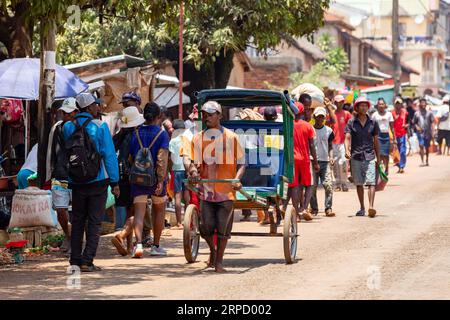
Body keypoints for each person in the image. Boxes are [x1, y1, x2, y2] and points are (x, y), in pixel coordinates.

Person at [185, 101, 246, 273]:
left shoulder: (231, 137)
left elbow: (242, 163)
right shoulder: (198, 139)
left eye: (210, 114)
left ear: (219, 115)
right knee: (205, 228)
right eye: (204, 115)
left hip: (226, 192)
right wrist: (192, 171)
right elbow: (192, 162)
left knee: (222, 228)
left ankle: (219, 262)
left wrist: (236, 179)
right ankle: (213, 251)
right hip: (207, 192)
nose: (206, 118)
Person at [63, 93, 120, 272]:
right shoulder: (100, 126)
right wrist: (115, 181)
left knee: (78, 220)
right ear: (88, 108)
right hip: (97, 180)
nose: (98, 107)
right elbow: (109, 156)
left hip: (76, 181)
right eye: (95, 105)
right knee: (94, 221)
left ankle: (75, 259)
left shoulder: (67, 127)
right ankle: (87, 261)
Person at [129, 102, 170, 258]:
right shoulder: (162, 134)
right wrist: (161, 180)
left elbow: (132, 156)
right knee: (159, 211)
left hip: (138, 177)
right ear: (159, 116)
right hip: (155, 180)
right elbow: (162, 159)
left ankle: (138, 245)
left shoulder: (136, 133)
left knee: (139, 213)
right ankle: (156, 246)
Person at [110, 106, 145, 256]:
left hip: (120, 177)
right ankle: (122, 235)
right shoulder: (136, 137)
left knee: (125, 210)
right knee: (136, 212)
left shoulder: (117, 137)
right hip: (134, 177)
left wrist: (114, 182)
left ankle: (129, 245)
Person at [46, 97, 78, 253]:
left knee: (78, 211)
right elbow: (50, 152)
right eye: (64, 113)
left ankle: (75, 240)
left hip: (78, 175)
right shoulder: (57, 128)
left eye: (69, 112)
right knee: (60, 210)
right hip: (60, 174)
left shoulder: (82, 127)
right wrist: (48, 173)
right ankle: (68, 235)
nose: (66, 115)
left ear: (76, 112)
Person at [282, 102, 319, 221]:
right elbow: (312, 145)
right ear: (302, 112)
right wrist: (316, 162)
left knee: (294, 186)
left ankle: (295, 214)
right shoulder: (307, 126)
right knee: (309, 185)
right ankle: (303, 208)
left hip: (292, 160)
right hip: (305, 160)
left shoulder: (287, 126)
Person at [344, 97, 380, 218]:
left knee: (371, 182)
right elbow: (347, 138)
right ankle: (362, 208)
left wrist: (378, 158)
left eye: (366, 105)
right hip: (356, 156)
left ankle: (371, 207)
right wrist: (346, 150)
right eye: (361, 105)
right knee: (359, 183)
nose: (364, 108)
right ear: (357, 108)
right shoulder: (351, 122)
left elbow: (376, 141)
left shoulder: (373, 122)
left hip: (370, 155)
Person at [310, 107, 335, 217]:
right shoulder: (310, 129)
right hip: (312, 161)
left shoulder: (329, 131)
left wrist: (331, 157)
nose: (320, 119)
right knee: (312, 186)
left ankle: (328, 208)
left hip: (325, 162)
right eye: (318, 116)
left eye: (322, 117)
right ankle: (314, 208)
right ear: (314, 117)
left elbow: (330, 146)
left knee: (328, 185)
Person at [168, 119, 190, 230]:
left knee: (177, 195)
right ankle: (188, 220)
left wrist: (170, 169)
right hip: (186, 169)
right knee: (187, 195)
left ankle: (179, 223)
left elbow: (170, 158)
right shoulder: (187, 140)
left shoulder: (172, 141)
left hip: (176, 170)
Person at [331, 95, 352, 192]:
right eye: (337, 102)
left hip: (344, 142)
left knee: (343, 162)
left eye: (341, 102)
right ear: (334, 103)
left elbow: (350, 128)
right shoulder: (331, 114)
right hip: (334, 142)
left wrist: (350, 143)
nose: (339, 104)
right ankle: (337, 184)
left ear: (343, 102)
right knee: (335, 163)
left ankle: (344, 183)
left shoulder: (347, 114)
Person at [371, 98, 395, 175]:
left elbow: (392, 127)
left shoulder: (389, 114)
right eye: (379, 104)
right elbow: (371, 127)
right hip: (378, 135)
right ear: (377, 106)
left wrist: (394, 139)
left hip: (386, 135)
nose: (381, 105)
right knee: (379, 154)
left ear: (385, 105)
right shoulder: (374, 115)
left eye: (382, 104)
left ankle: (387, 169)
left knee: (386, 154)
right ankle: (380, 169)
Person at [413, 98, 435, 166]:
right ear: (420, 104)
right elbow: (414, 122)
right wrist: (417, 127)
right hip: (420, 133)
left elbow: (432, 123)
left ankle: (427, 160)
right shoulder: (417, 113)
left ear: (426, 104)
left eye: (424, 103)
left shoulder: (430, 113)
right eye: (422, 103)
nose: (423, 104)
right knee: (421, 145)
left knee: (427, 147)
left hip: (428, 132)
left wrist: (433, 132)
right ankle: (422, 161)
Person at [392, 97, 409, 173]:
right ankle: (399, 165)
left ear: (401, 104)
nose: (398, 105)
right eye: (396, 104)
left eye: (399, 104)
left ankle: (402, 166)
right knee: (396, 151)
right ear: (395, 105)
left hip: (402, 134)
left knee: (402, 151)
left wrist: (406, 125)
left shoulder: (405, 112)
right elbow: (390, 124)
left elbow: (409, 122)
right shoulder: (392, 112)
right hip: (394, 134)